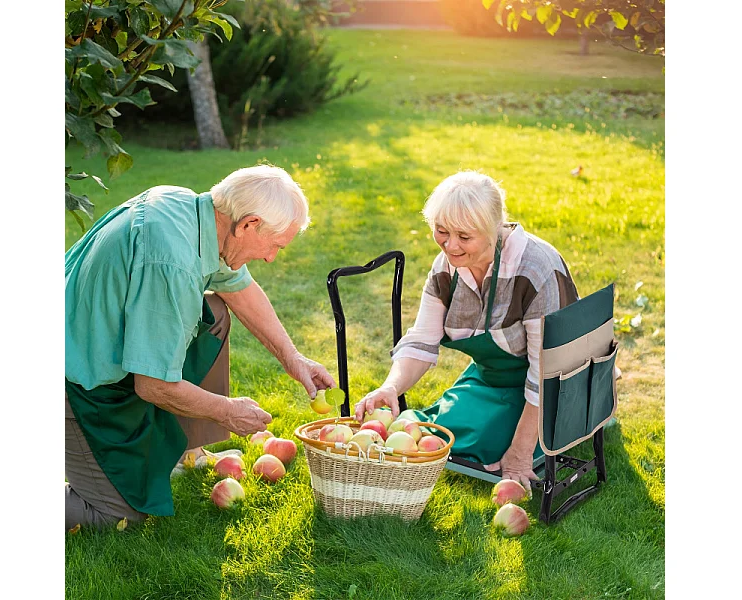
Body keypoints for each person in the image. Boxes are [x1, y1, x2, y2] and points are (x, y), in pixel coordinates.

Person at [65, 165, 335, 530]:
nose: (272, 257)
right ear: (249, 224)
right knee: (117, 515)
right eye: (274, 245)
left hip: (88, 337)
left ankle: (186, 452)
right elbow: (153, 385)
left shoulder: (192, 211)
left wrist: (293, 357)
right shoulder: (173, 263)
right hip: (76, 378)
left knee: (215, 313)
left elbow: (240, 289)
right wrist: (225, 411)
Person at [354, 171, 580, 493]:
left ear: (493, 229)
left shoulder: (535, 269)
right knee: (438, 433)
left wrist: (518, 455)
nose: (450, 245)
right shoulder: (446, 266)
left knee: (487, 444)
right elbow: (422, 339)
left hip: (553, 387)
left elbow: (547, 373)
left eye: (464, 236)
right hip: (490, 378)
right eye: (441, 232)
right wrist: (390, 387)